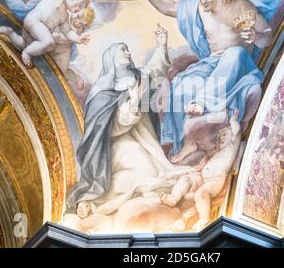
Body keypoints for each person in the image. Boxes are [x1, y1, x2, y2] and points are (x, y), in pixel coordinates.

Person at [138, 0, 284, 163]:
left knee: (235, 53)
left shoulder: (242, 7)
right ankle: (187, 142)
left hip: (240, 63)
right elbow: (168, 8)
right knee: (183, 83)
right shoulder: (200, 9)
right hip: (211, 62)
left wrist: (254, 37)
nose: (203, 2)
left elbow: (267, 36)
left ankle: (204, 102)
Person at [66, 25, 194, 221]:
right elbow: (107, 128)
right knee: (148, 170)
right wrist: (134, 102)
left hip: (144, 136)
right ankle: (96, 203)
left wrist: (162, 47)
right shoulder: (102, 91)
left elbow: (154, 69)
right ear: (111, 57)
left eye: (128, 49)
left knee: (156, 170)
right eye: (122, 49)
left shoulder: (138, 76)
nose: (128, 52)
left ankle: (111, 202)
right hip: (114, 147)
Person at [160, 108, 242, 230]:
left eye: (224, 135)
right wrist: (201, 165)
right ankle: (174, 198)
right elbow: (206, 158)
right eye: (219, 139)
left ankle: (204, 219)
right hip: (202, 180)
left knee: (201, 193)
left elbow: (237, 131)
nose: (221, 139)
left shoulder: (231, 148)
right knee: (186, 179)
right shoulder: (217, 153)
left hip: (214, 182)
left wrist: (233, 120)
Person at [12, 0, 95, 66]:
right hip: (35, 21)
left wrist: (77, 39)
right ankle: (27, 53)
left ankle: (9, 33)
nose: (78, 9)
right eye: (80, 5)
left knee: (25, 44)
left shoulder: (64, 17)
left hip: (37, 32)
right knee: (49, 43)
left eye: (81, 8)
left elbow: (68, 32)